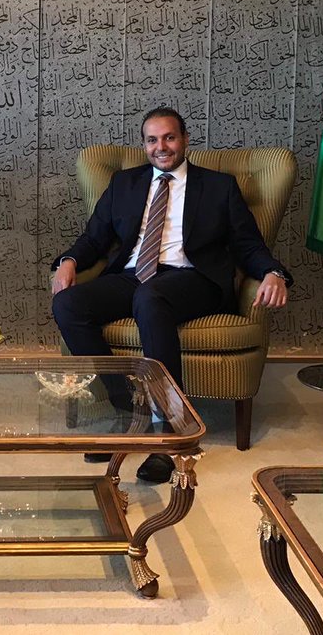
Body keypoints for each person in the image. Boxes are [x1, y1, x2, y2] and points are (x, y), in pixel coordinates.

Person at [51, 106, 291, 483]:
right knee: (68, 303)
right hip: (133, 275)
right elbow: (94, 238)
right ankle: (129, 411)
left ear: (184, 140)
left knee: (151, 298)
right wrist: (68, 260)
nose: (160, 147)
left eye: (169, 138)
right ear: (144, 145)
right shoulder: (124, 183)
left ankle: (169, 430)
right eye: (152, 140)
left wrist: (273, 273)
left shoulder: (218, 186)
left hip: (193, 278)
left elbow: (248, 245)